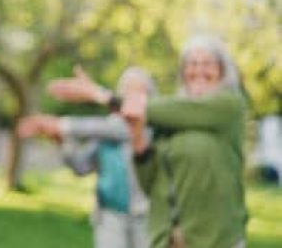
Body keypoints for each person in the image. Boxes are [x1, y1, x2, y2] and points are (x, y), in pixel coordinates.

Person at [48, 35, 248, 248]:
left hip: (216, 239)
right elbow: (150, 182)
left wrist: (99, 95)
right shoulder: (167, 119)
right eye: (192, 64)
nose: (199, 70)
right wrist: (137, 136)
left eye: (208, 63)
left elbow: (165, 110)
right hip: (168, 238)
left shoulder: (229, 105)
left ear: (222, 71)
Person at [19, 67, 153, 248]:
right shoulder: (106, 129)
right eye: (128, 91)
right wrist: (61, 141)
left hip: (144, 216)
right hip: (109, 216)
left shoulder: (151, 129)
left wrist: (61, 124)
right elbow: (80, 167)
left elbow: (122, 130)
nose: (132, 98)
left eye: (139, 91)